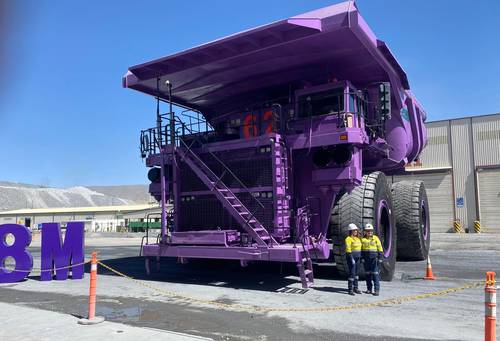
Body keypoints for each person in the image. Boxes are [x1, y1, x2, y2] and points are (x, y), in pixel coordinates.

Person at [361, 223, 383, 296]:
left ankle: (376, 290)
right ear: (365, 232)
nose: (369, 232)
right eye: (367, 231)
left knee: (375, 274)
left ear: (372, 231)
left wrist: (380, 258)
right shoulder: (363, 240)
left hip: (374, 259)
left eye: (370, 231)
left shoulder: (375, 238)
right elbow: (361, 250)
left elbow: (380, 248)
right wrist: (362, 258)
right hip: (366, 259)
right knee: (367, 274)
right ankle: (369, 289)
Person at [345, 223, 362, 295]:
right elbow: (348, 250)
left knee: (356, 273)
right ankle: (350, 289)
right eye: (354, 230)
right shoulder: (348, 239)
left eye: (356, 230)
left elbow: (360, 248)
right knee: (352, 273)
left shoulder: (358, 239)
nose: (355, 231)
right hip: (351, 256)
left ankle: (356, 288)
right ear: (350, 231)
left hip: (358, 257)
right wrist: (351, 259)